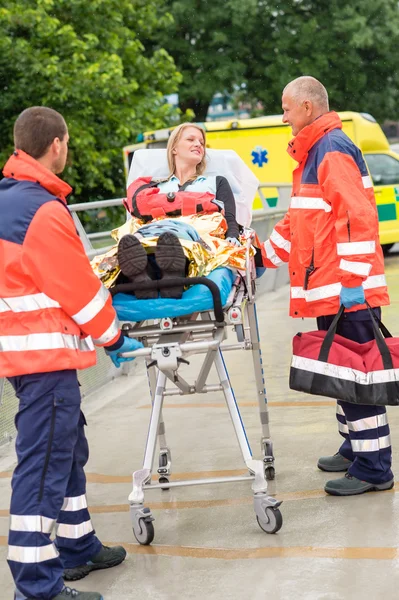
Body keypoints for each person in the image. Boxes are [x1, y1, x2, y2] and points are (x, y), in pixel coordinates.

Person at [0, 106, 142, 600]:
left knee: (68, 449)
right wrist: (117, 339)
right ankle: (37, 587)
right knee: (42, 468)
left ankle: (77, 543)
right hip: (45, 359)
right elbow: (78, 291)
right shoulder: (42, 209)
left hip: (26, 357)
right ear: (57, 144)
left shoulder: (11, 201)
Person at [261, 76, 392, 496]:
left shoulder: (330, 150)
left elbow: (356, 218)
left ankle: (374, 468)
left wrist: (353, 282)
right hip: (331, 287)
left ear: (307, 108)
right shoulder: (316, 151)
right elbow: (298, 220)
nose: (283, 117)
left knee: (358, 376)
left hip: (344, 289)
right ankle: (355, 447)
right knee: (343, 370)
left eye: (286, 108)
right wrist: (265, 256)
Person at [117, 122, 241, 299]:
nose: (198, 144)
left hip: (197, 239)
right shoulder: (155, 187)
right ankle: (149, 275)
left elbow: (230, 218)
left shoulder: (216, 182)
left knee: (176, 243)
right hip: (155, 236)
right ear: (174, 148)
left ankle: (166, 274)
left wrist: (233, 237)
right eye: (191, 139)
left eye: (201, 142)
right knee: (147, 241)